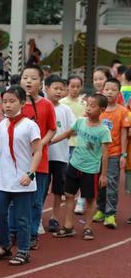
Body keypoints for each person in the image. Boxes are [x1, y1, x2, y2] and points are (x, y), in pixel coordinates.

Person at [0, 85, 42, 265]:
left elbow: (38, 151)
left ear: (22, 103)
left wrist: (30, 174)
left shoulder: (30, 126)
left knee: (22, 218)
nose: (7, 105)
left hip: (23, 181)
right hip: (4, 181)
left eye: (12, 101)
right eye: (5, 102)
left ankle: (23, 251)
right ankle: (5, 245)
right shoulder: (3, 123)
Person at [9, 65, 56, 249]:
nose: (28, 81)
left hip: (39, 162)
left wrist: (42, 143)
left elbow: (52, 128)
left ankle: (32, 234)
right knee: (14, 201)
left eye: (33, 78)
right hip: (17, 162)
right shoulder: (14, 103)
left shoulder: (46, 105)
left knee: (36, 202)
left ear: (41, 83)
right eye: (25, 77)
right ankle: (13, 232)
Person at [52, 94, 111, 240]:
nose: (89, 108)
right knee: (69, 195)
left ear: (102, 109)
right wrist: (48, 142)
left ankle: (88, 227)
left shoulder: (103, 131)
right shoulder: (80, 122)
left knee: (90, 199)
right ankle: (68, 226)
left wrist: (103, 175)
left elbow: (105, 154)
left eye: (93, 106)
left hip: (91, 170)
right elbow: (67, 133)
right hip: (74, 165)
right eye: (88, 105)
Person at [93, 78, 130, 228]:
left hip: (114, 153)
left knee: (111, 184)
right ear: (102, 91)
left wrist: (123, 154)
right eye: (107, 89)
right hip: (97, 154)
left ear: (118, 92)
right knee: (99, 183)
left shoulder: (122, 112)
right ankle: (100, 209)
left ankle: (110, 213)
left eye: (113, 89)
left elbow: (123, 134)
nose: (109, 92)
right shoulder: (98, 110)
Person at [44, 76, 75, 232]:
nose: (58, 91)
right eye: (55, 88)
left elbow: (71, 129)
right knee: (41, 188)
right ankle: (36, 217)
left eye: (62, 89)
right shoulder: (42, 106)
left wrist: (51, 140)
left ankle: (54, 216)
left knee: (58, 188)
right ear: (46, 88)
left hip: (60, 157)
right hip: (42, 157)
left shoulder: (65, 109)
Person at [60, 75, 87, 214]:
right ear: (67, 87)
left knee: (81, 172)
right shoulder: (62, 103)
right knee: (67, 171)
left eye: (78, 86)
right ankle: (68, 192)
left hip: (80, 144)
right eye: (72, 86)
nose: (75, 89)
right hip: (65, 143)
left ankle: (80, 201)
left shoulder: (84, 104)